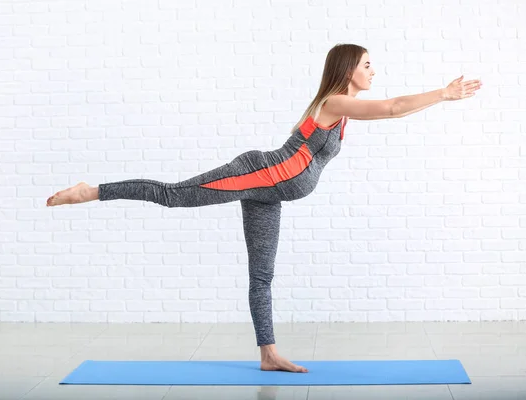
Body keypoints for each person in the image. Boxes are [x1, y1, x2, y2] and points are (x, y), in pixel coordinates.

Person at [46, 43, 482, 373]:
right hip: (259, 174)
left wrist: (436, 99)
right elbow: (391, 108)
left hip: (270, 193)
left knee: (262, 275)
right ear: (346, 69)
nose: (374, 70)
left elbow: (390, 110)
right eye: (367, 64)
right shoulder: (333, 102)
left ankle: (268, 353)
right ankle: (93, 190)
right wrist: (442, 93)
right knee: (173, 195)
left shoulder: (342, 111)